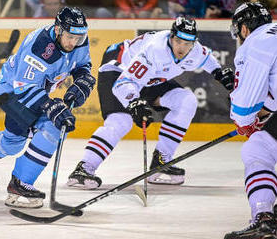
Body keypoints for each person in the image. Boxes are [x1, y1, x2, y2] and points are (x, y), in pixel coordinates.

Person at [0, 6, 96, 208]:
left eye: (78, 38)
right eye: (70, 37)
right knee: (49, 128)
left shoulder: (79, 38)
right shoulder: (40, 47)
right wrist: (50, 106)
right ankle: (20, 183)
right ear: (58, 29)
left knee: (14, 142)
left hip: (35, 90)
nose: (74, 43)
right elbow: (24, 87)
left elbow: (82, 65)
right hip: (12, 92)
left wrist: (83, 81)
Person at [66, 16, 235, 189]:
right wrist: (134, 103)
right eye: (178, 41)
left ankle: (161, 161)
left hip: (150, 79)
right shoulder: (154, 50)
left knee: (186, 100)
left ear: (194, 42)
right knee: (121, 121)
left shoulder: (196, 50)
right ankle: (84, 168)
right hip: (118, 70)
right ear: (171, 37)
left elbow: (208, 60)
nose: (182, 47)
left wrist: (219, 73)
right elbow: (124, 83)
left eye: (187, 43)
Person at [224, 2, 277, 239]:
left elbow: (248, 96)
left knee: (257, 149)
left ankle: (263, 217)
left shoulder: (256, 42)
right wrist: (264, 113)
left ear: (244, 28)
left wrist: (244, 120)